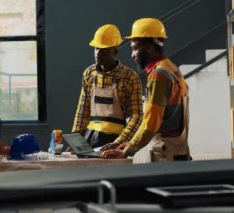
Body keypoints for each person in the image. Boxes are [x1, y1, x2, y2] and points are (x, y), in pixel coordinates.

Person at [101, 18, 191, 162]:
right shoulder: (171, 68)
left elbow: (151, 123)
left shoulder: (159, 75)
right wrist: (128, 143)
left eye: (135, 48)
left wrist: (128, 150)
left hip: (165, 156)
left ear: (149, 47)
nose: (132, 55)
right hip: (179, 153)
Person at [72, 24, 143, 148]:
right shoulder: (89, 74)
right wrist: (75, 142)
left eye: (104, 49)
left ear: (115, 50)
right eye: (96, 48)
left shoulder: (130, 78)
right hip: (90, 139)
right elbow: (82, 111)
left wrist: (118, 143)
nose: (98, 53)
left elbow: (137, 116)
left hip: (116, 139)